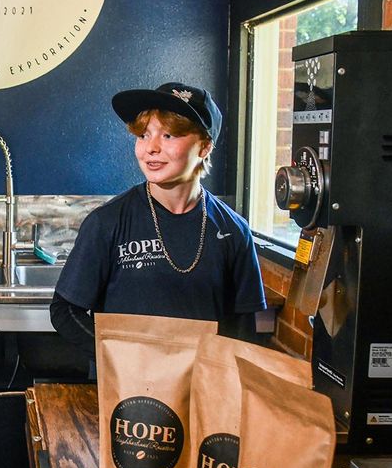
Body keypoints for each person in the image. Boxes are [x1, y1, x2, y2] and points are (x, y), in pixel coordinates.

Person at [50, 82, 266, 375]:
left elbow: (242, 330)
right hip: (125, 396)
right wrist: (124, 358)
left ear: (204, 146)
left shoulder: (234, 232)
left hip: (201, 393)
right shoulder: (107, 222)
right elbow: (65, 312)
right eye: (144, 135)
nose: (151, 148)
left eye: (169, 135)